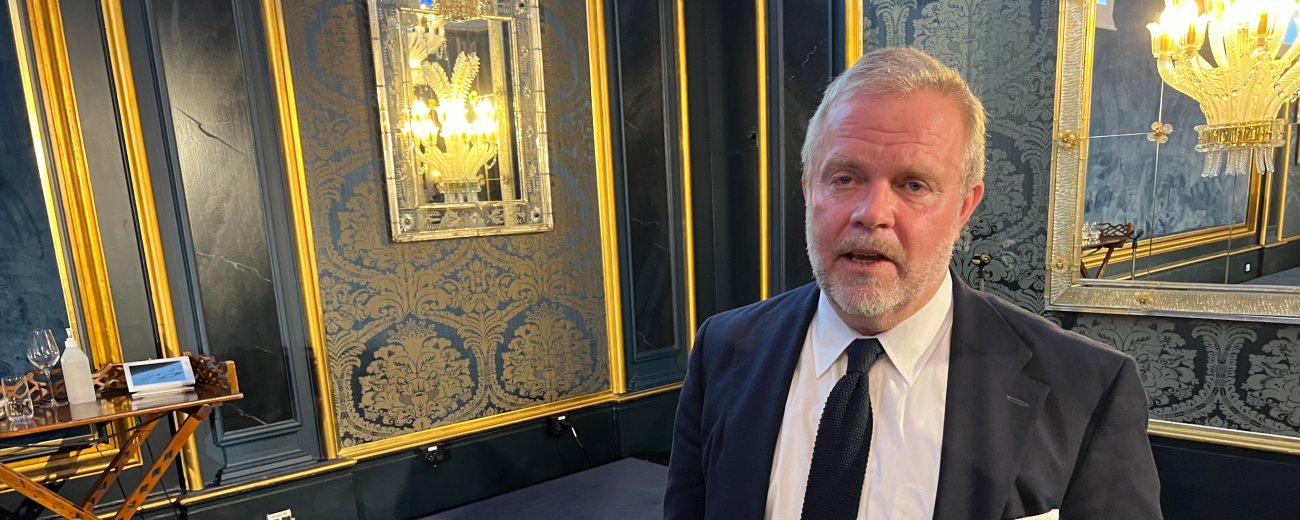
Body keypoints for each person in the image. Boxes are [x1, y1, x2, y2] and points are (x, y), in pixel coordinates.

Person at [663, 47, 1162, 520]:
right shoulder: (724, 350)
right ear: (809, 188)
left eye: (913, 184)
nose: (872, 213)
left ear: (964, 205)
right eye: (845, 178)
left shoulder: (1085, 387)